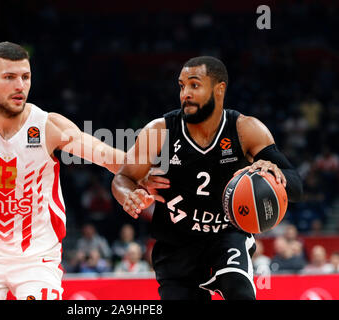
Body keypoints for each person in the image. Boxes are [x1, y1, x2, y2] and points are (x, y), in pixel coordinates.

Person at [0, 12, 167, 300]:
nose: (20, 85)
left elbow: (107, 156)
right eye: (9, 77)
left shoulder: (48, 125)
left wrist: (143, 175)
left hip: (36, 258)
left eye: (25, 77)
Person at [111, 56, 303, 300]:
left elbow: (296, 185)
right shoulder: (160, 131)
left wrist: (271, 173)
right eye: (181, 86)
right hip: (176, 243)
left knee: (239, 289)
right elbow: (123, 177)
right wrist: (128, 194)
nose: (185, 94)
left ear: (219, 89)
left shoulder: (246, 129)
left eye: (194, 85)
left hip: (227, 235)